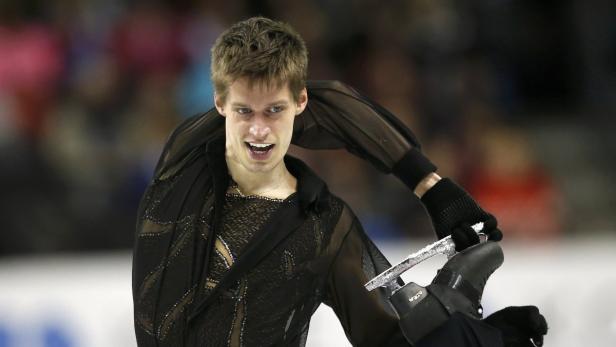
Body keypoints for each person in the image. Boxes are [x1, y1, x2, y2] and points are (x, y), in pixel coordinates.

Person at [132, 17, 546, 346]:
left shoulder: (324, 225)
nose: (258, 130)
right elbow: (334, 106)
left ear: (300, 103)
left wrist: (478, 339)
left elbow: (389, 337)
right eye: (244, 111)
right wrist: (431, 187)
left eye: (274, 111)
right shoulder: (184, 159)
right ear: (220, 103)